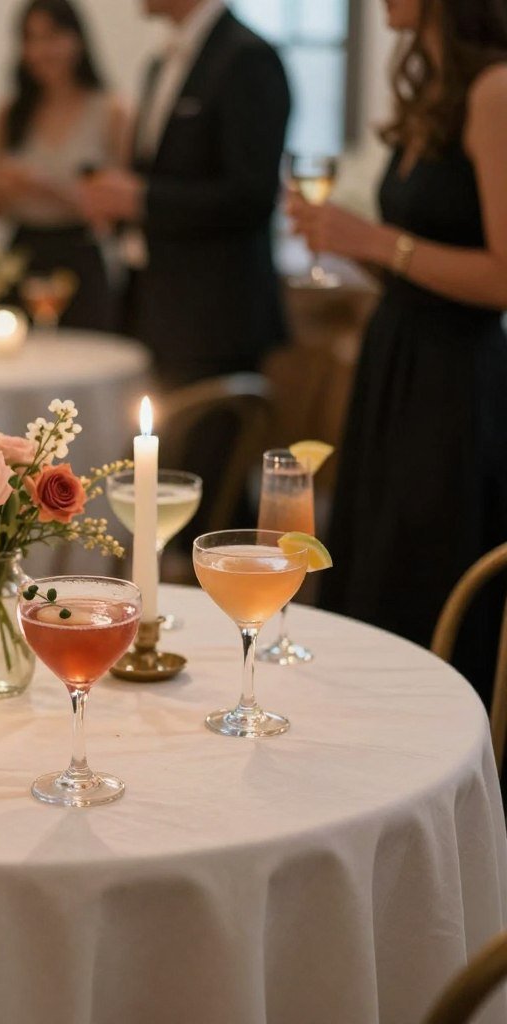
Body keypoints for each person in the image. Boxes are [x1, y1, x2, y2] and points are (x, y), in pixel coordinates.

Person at [289, 0, 507, 701]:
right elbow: (419, 266)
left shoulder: (494, 90)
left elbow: (501, 276)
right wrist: (350, 245)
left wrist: (377, 241)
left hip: (452, 380)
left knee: (422, 571)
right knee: (377, 561)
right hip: (397, 359)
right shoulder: (433, 92)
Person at [78, 0, 290, 385]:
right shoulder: (160, 63)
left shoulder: (247, 58)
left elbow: (252, 196)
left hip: (214, 319)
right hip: (154, 306)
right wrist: (117, 204)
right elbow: (161, 175)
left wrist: (140, 200)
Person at [0, 0, 129, 333]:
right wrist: (7, 188)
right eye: (31, 39)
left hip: (80, 254)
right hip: (24, 252)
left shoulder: (111, 112)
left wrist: (46, 188)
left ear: (76, 40)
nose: (41, 51)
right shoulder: (11, 114)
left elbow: (115, 214)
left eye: (51, 37)